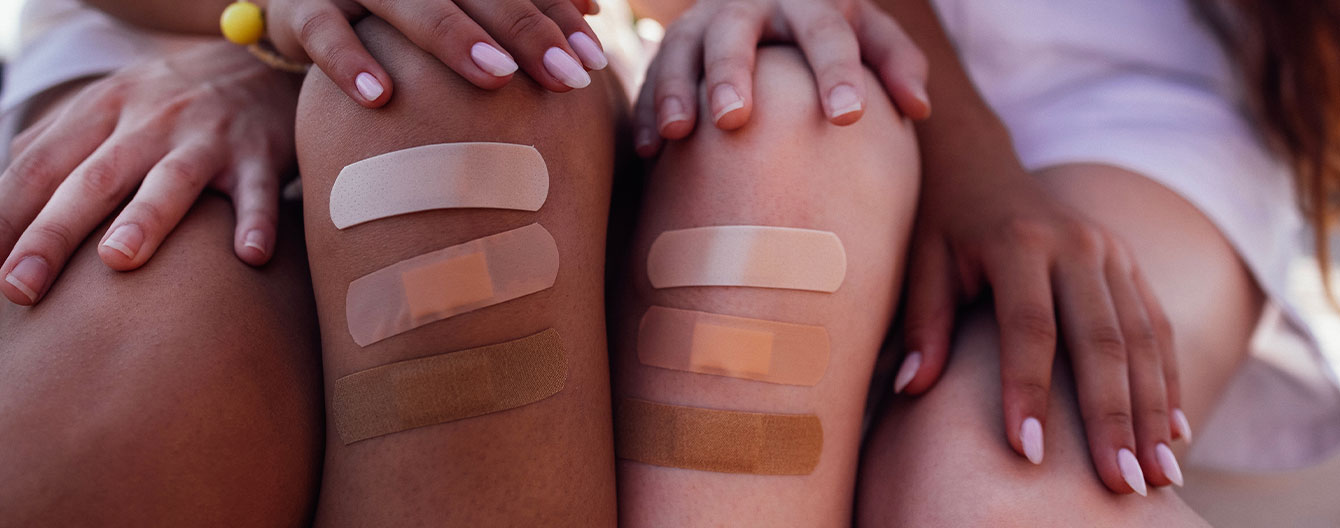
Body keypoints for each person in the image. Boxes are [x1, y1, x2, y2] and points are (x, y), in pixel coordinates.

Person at [0, 0, 1336, 526]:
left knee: (792, 166)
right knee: (165, 372)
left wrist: (978, 164)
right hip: (417, 47)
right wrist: (273, 30)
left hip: (1051, 88)